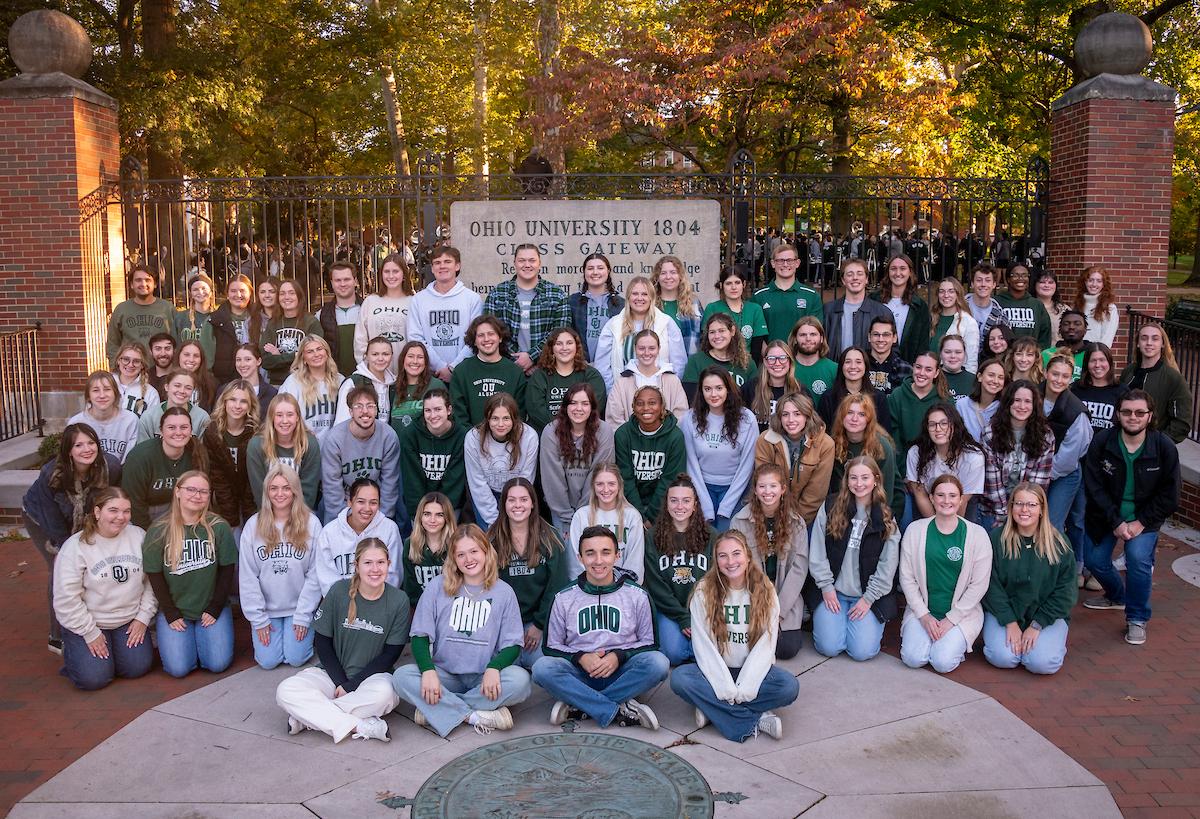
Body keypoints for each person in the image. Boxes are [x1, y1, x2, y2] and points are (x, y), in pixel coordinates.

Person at [392, 524, 531, 736]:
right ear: (453, 559)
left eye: (474, 551)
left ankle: (436, 709)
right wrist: (428, 671)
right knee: (401, 677)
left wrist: (494, 668)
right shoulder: (438, 586)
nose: (469, 559)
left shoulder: (504, 592)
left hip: (483, 678)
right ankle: (475, 716)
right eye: (461, 554)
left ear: (486, 552)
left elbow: (513, 644)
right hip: (445, 676)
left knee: (520, 681)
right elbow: (419, 635)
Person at [532, 526, 669, 730]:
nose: (598, 560)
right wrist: (580, 657)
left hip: (622, 672)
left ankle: (579, 705)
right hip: (580, 673)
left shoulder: (637, 595)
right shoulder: (563, 598)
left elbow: (650, 643)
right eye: (590, 553)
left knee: (659, 663)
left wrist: (619, 656)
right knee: (541, 668)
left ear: (617, 555)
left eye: (606, 552)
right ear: (580, 558)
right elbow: (551, 646)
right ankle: (618, 707)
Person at [275, 537, 410, 743]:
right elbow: (322, 641)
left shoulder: (399, 600)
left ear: (389, 564)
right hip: (332, 674)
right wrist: (341, 682)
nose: (375, 569)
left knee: (387, 695)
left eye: (380, 562)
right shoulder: (339, 591)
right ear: (356, 565)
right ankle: (360, 725)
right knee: (286, 690)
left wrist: (353, 684)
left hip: (372, 677)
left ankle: (308, 718)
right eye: (368, 563)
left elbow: (391, 654)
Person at [670, 529, 799, 741]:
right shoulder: (703, 591)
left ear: (748, 556)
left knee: (789, 686)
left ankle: (712, 710)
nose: (731, 561)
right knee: (680, 679)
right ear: (716, 560)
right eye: (723, 556)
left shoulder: (765, 590)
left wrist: (746, 688)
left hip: (753, 670)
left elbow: (766, 646)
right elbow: (703, 647)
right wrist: (724, 687)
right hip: (714, 672)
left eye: (736, 553)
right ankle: (754, 718)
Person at [1082, 390, 1180, 646]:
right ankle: (1117, 595)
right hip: (1105, 516)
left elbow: (1170, 495)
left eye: (1139, 412)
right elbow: (1093, 486)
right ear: (1118, 414)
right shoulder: (1103, 442)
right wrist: (1116, 521)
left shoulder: (1163, 447)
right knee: (1094, 560)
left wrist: (1140, 522)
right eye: (1126, 412)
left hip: (1144, 520)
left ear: (1150, 416)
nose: (1132, 417)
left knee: (1137, 560)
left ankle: (1137, 617)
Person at [23, 423, 122, 653]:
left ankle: (94, 616)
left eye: (91, 443)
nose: (86, 449)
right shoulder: (52, 474)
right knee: (61, 568)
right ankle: (57, 634)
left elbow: (112, 501)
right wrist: (70, 550)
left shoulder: (111, 467)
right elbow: (55, 525)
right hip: (41, 520)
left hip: (86, 518)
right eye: (79, 445)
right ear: (69, 450)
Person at [52, 487, 155, 689]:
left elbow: (152, 582)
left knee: (138, 667)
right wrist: (90, 632)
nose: (121, 517)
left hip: (127, 619)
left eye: (126, 511)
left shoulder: (139, 536)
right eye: (113, 510)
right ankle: (76, 652)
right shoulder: (76, 547)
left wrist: (143, 617)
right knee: (93, 679)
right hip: (90, 622)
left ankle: (109, 658)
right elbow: (66, 599)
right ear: (97, 512)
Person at [142, 470, 237, 677]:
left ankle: (201, 642)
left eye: (203, 491)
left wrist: (214, 608)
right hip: (176, 610)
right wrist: (170, 611)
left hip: (211, 609)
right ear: (177, 492)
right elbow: (154, 574)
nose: (197, 495)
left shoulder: (218, 527)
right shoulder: (158, 530)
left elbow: (227, 570)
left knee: (218, 664)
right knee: (178, 669)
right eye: (191, 489)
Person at [808, 456, 900, 661]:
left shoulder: (885, 516)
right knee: (829, 647)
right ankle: (837, 623)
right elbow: (817, 551)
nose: (859, 484)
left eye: (865, 478)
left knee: (861, 652)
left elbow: (888, 565)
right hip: (834, 594)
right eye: (853, 478)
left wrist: (868, 599)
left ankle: (859, 626)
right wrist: (826, 587)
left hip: (867, 597)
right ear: (846, 480)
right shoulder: (831, 506)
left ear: (876, 480)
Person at [898, 474, 993, 673]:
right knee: (913, 658)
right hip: (923, 611)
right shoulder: (915, 530)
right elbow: (907, 578)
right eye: (940, 495)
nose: (946, 501)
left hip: (961, 615)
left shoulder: (977, 535)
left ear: (961, 499)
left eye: (952, 495)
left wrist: (951, 620)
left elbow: (979, 585)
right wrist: (924, 616)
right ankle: (927, 639)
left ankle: (947, 644)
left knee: (942, 662)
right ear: (931, 498)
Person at [982, 482, 1077, 673]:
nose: (1024, 510)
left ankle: (1048, 644)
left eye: (1032, 505)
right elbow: (990, 585)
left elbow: (1066, 592)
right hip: (1006, 612)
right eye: (1019, 504)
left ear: (1042, 509)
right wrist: (1009, 622)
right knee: (1003, 658)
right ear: (1011, 508)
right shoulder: (996, 539)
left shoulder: (1059, 543)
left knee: (1042, 663)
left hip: (1045, 615)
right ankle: (1017, 642)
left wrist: (1037, 625)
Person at [239, 464, 321, 669]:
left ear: (295, 491)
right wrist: (258, 619)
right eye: (274, 488)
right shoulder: (253, 525)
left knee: (296, 658)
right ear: (267, 492)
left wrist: (303, 616)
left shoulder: (311, 523)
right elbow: (248, 577)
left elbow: (315, 574)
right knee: (268, 661)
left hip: (298, 608)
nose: (280, 493)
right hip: (267, 610)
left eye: (286, 487)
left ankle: (296, 639)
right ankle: (280, 639)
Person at [294, 478, 403, 627]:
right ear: (349, 502)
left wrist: (372, 603)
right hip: (341, 609)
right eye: (361, 501)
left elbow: (393, 576)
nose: (367, 508)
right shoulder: (330, 532)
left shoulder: (389, 529)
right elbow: (327, 581)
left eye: (373, 502)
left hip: (379, 607)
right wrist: (349, 606)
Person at [489, 478, 570, 669]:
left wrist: (539, 625)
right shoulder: (491, 539)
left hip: (537, 624)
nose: (518, 505)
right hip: (503, 625)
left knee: (547, 668)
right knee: (499, 669)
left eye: (524, 499)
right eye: (512, 500)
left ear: (533, 503)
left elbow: (556, 586)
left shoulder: (550, 537)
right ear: (504, 504)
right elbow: (486, 587)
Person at [729, 464, 808, 659]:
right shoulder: (740, 521)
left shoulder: (796, 523)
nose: (767, 492)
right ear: (755, 490)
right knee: (749, 646)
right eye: (762, 486)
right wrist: (760, 607)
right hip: (753, 595)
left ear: (783, 489)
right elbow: (736, 568)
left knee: (786, 649)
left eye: (773, 486)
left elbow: (799, 569)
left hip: (784, 595)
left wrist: (778, 612)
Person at [643, 475, 714, 665]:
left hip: (702, 609)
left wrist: (696, 615)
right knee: (673, 654)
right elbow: (655, 584)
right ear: (666, 504)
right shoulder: (653, 536)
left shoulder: (710, 535)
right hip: (669, 610)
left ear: (695, 505)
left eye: (686, 501)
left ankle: (695, 651)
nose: (679, 506)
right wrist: (682, 617)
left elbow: (714, 579)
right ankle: (694, 652)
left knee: (715, 648)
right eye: (674, 500)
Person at [683, 367, 758, 531]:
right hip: (701, 487)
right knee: (704, 538)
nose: (713, 394)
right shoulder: (689, 419)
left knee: (728, 538)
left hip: (736, 488)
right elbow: (691, 465)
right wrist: (704, 502)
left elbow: (747, 465)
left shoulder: (746, 419)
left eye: (719, 388)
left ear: (728, 389)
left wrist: (727, 504)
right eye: (707, 389)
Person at [1042, 354, 1094, 578]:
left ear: (1070, 378)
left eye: (1065, 376)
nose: (1059, 380)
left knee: (1053, 524)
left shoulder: (1075, 410)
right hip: (1035, 471)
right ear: (1045, 373)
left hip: (1063, 473)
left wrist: (1042, 477)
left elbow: (1069, 456)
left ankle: (1067, 570)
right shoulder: (1030, 396)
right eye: (1055, 374)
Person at [484, 243, 572, 374]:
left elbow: (559, 333)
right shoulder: (497, 294)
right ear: (514, 263)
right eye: (521, 260)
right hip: (507, 368)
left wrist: (532, 357)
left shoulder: (556, 294)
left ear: (540, 263)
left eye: (532, 260)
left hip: (547, 369)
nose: (527, 265)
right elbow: (491, 331)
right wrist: (518, 360)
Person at [320, 385, 402, 525]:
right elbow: (332, 489)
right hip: (344, 506)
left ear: (376, 410)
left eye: (370, 406)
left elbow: (390, 486)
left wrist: (381, 521)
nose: (365, 411)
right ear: (351, 411)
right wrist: (346, 523)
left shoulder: (388, 436)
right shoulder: (334, 439)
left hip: (375, 507)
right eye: (358, 406)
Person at [540, 383, 616, 533]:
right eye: (573, 403)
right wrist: (567, 516)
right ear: (565, 406)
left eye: (585, 403)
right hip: (561, 511)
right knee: (567, 554)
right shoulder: (550, 432)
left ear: (592, 407)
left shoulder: (604, 431)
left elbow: (599, 474)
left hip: (594, 507)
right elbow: (552, 479)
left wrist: (583, 512)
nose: (578, 409)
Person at [980, 381, 1056, 530]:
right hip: (994, 509)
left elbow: (1038, 484)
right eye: (1017, 400)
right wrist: (1004, 515)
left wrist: (1022, 510)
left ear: (1034, 405)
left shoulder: (1045, 436)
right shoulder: (990, 433)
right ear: (1008, 403)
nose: (1022, 406)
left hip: (1026, 509)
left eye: (1028, 401)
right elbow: (992, 482)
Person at [754, 391, 834, 526]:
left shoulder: (825, 444)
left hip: (805, 519)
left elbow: (815, 494)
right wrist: (776, 520)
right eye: (785, 414)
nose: (791, 420)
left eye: (797, 414)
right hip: (770, 512)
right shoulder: (765, 440)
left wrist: (794, 522)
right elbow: (764, 484)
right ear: (779, 417)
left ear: (807, 416)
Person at [407, 246, 484, 382]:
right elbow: (415, 338)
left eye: (447, 262)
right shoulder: (418, 300)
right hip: (429, 375)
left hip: (464, 373)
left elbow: (476, 338)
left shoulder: (472, 299)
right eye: (437, 263)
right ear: (432, 268)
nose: (442, 266)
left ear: (457, 266)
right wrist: (439, 366)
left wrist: (453, 368)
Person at [595, 276, 686, 392]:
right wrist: (614, 392)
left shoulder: (666, 323)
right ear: (628, 297)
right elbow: (602, 366)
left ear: (651, 298)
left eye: (644, 294)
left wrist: (669, 392)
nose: (639, 298)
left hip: (660, 393)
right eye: (635, 294)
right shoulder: (614, 325)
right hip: (624, 393)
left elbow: (679, 363)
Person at [122, 408, 207, 529]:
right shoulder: (140, 457)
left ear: (191, 431)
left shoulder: (198, 453)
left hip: (183, 511)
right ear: (161, 431)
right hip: (147, 513)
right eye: (171, 427)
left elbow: (202, 494)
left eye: (184, 427)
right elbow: (135, 505)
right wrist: (151, 534)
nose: (178, 432)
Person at [904, 404, 985, 528]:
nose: (938, 428)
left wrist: (951, 529)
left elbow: (962, 501)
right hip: (929, 505)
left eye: (944, 423)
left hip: (962, 507)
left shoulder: (973, 457)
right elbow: (920, 494)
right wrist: (935, 527)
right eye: (932, 424)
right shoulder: (916, 453)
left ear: (954, 425)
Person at [616, 385, 688, 525]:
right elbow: (626, 478)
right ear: (633, 407)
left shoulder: (675, 436)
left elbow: (670, 479)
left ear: (662, 406)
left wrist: (652, 516)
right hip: (630, 505)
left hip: (664, 506)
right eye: (640, 403)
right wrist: (639, 516)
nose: (646, 408)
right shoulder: (623, 435)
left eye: (652, 403)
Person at [465, 393, 539, 529]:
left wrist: (512, 511)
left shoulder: (529, 437)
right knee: (491, 541)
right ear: (487, 418)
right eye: (494, 418)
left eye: (506, 418)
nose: (500, 424)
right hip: (486, 493)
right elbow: (477, 482)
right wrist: (494, 520)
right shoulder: (473, 438)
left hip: (517, 494)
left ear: (514, 418)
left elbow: (526, 478)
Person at [567, 463, 646, 580]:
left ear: (619, 485)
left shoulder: (632, 516)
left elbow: (635, 561)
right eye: (600, 484)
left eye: (611, 484)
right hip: (588, 589)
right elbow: (575, 561)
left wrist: (624, 589)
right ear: (593, 486)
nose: (606, 489)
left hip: (623, 589)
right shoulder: (581, 516)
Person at [398, 389, 468, 519]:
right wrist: (421, 513)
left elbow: (455, 481)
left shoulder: (461, 436)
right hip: (420, 505)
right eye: (428, 410)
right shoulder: (410, 435)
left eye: (438, 409)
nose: (432, 415)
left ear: (449, 410)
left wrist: (441, 512)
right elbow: (412, 480)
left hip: (450, 505)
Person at [1118, 321, 1192, 443]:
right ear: (1137, 343)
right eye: (1144, 338)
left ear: (1163, 344)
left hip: (1154, 447)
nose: (1149, 343)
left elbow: (1182, 422)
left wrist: (1159, 443)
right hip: (1123, 441)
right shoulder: (1128, 372)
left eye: (1155, 339)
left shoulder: (1173, 378)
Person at [201, 380, 258, 535]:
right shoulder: (212, 432)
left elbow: (253, 477)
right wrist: (230, 516)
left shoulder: (257, 433)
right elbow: (217, 476)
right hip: (223, 500)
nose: (237, 406)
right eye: (233, 399)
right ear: (224, 401)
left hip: (251, 499)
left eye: (243, 401)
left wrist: (249, 514)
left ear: (250, 405)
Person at [247, 393, 322, 511]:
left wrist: (295, 518)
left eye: (290, 415)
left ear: (297, 417)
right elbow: (259, 490)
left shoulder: (309, 444)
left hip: (300, 513)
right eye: (279, 415)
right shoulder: (256, 445)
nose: (285, 420)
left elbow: (309, 491)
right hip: (267, 513)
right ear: (271, 417)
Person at [449, 314, 527, 428]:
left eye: (491, 334)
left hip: (507, 439)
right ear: (474, 341)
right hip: (471, 440)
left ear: (500, 337)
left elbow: (520, 413)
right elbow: (458, 414)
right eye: (481, 335)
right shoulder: (462, 371)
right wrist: (472, 438)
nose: (486, 339)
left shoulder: (515, 372)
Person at [887, 352, 948, 494]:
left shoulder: (944, 400)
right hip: (903, 472)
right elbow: (892, 438)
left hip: (935, 471)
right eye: (918, 367)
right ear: (913, 367)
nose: (921, 373)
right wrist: (905, 474)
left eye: (928, 369)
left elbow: (946, 441)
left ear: (936, 372)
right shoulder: (898, 395)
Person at [830, 394, 899, 517]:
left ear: (869, 419)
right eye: (849, 412)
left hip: (877, 506)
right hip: (842, 506)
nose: (854, 419)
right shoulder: (833, 444)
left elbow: (887, 488)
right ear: (842, 416)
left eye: (861, 414)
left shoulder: (882, 446)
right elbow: (835, 487)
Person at [528, 327, 607, 432]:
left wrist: (576, 427)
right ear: (552, 348)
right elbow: (536, 410)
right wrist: (562, 429)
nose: (564, 348)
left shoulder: (591, 375)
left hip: (585, 433)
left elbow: (596, 405)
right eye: (559, 344)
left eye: (569, 343)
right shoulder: (539, 376)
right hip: (549, 434)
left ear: (577, 347)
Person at [605, 329, 688, 425]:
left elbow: (681, 416)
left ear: (658, 349)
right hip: (631, 439)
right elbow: (614, 418)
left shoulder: (672, 380)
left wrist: (667, 437)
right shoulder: (622, 381)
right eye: (641, 348)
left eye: (652, 348)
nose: (647, 353)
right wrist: (628, 437)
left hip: (666, 438)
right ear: (635, 349)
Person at [278, 335, 344, 444]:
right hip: (304, 445)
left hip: (334, 446)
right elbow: (282, 414)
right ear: (303, 358)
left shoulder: (340, 380)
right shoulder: (293, 382)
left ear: (327, 353)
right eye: (310, 351)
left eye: (319, 349)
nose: (316, 354)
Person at [105, 266, 176, 367]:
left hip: (162, 371)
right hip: (131, 370)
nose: (143, 284)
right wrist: (116, 368)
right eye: (138, 280)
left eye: (148, 280)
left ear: (155, 284)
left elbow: (177, 341)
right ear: (131, 285)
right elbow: (113, 344)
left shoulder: (167, 308)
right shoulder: (121, 309)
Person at [354, 253, 413, 373]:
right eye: (386, 271)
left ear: (404, 275)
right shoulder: (371, 301)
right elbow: (360, 338)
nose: (391, 276)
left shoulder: (413, 301)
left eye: (396, 271)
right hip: (376, 372)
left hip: (407, 372)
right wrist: (367, 367)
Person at [824, 258, 892, 359]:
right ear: (843, 280)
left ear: (866, 279)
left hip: (869, 371)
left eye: (859, 273)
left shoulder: (882, 312)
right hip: (835, 371)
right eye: (850, 274)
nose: (855, 278)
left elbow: (892, 349)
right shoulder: (828, 310)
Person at [754, 242, 823, 343]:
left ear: (797, 263)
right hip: (771, 357)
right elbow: (756, 334)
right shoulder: (759, 296)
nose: (785, 264)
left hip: (801, 357)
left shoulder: (811, 296)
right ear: (773, 263)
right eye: (780, 260)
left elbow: (815, 333)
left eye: (790, 260)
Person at [201, 274, 262, 385]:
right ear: (227, 294)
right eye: (233, 291)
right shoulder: (213, 321)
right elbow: (206, 359)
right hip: (223, 383)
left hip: (256, 381)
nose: (238, 295)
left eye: (242, 291)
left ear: (250, 293)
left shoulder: (260, 319)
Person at [871, 254, 931, 364]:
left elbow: (923, 343)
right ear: (888, 272)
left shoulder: (919, 306)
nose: (898, 273)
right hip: (875, 365)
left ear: (910, 272)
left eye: (902, 269)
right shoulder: (873, 300)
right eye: (893, 269)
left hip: (907, 365)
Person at [261, 279, 323, 385]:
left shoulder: (311, 322)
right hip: (277, 383)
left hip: (305, 382)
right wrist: (296, 355)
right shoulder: (273, 323)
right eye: (282, 293)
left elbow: (314, 356)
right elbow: (266, 361)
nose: (286, 297)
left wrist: (278, 355)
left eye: (291, 293)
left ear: (299, 296)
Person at [683, 311, 758, 398]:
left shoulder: (747, 362)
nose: (717, 336)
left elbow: (753, 399)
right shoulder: (696, 361)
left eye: (721, 331)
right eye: (712, 332)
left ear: (732, 331)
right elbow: (692, 398)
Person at [69, 371, 138, 464]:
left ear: (115, 393)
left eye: (107, 389)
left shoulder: (130, 421)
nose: (102, 395)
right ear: (88, 395)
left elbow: (130, 461)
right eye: (95, 390)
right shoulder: (76, 423)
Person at [702, 265, 768, 362]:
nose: (733, 287)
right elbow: (706, 342)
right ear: (721, 285)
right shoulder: (712, 308)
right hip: (718, 365)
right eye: (728, 283)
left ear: (744, 284)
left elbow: (757, 346)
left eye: (737, 282)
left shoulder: (754, 309)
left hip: (747, 364)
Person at [402, 493, 457, 609]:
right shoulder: (410, 545)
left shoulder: (456, 545)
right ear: (420, 516)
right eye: (427, 514)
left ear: (447, 518)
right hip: (420, 608)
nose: (432, 520)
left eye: (439, 515)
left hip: (451, 608)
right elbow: (410, 589)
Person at [817, 345, 892, 430]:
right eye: (848, 362)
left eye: (858, 362)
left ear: (865, 366)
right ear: (842, 366)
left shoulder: (878, 398)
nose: (853, 366)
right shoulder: (828, 398)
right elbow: (822, 433)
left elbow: (885, 433)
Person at [570, 252, 625, 361]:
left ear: (608, 271)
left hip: (612, 365)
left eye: (600, 268)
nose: (595, 272)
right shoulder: (573, 302)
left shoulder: (621, 304)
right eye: (590, 268)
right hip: (581, 366)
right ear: (584, 272)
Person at [334, 336, 395, 427]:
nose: (380, 358)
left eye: (385, 354)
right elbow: (341, 423)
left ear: (392, 356)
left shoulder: (394, 384)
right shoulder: (353, 383)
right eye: (375, 354)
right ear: (366, 356)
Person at [136, 368, 210, 443]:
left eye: (188, 388)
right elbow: (143, 450)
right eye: (177, 386)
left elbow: (203, 451)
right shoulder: (149, 417)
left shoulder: (202, 418)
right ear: (167, 387)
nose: (182, 391)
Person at [743, 340, 804, 432]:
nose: (777, 363)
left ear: (790, 362)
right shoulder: (750, 388)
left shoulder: (800, 391)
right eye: (771, 358)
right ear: (765, 361)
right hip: (756, 444)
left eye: (783, 358)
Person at [387, 340, 448, 429]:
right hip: (396, 442)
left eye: (420, 357)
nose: (415, 361)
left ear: (425, 362)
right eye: (410, 356)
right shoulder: (392, 387)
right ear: (403, 359)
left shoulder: (436, 385)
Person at [318, 260, 363, 378]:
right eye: (338, 280)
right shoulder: (321, 315)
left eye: (347, 279)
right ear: (332, 283)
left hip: (365, 378)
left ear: (355, 281)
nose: (342, 284)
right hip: (333, 380)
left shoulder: (367, 309)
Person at [653, 254, 704, 356]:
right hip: (656, 365)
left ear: (680, 276)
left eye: (673, 272)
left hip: (688, 365)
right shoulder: (651, 304)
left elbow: (703, 337)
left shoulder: (693, 303)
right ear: (657, 277)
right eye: (663, 273)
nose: (668, 277)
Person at [1071, 343, 1128, 434]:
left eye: (1102, 360)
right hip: (1080, 446)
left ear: (1109, 362)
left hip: (1108, 446)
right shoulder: (1074, 390)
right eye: (1093, 360)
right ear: (1087, 364)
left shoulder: (1122, 391)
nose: (1097, 365)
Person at [929, 278, 980, 373]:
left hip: (953, 377)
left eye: (951, 291)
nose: (946, 295)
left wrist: (967, 382)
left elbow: (971, 361)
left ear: (958, 294)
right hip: (929, 375)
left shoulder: (968, 322)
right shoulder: (931, 319)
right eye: (942, 291)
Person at [996, 264, 1051, 348]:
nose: (1020, 278)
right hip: (1002, 357)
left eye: (1025, 275)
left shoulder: (1036, 304)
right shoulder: (997, 302)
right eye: (1015, 275)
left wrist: (1037, 354)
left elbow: (1045, 335)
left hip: (1029, 357)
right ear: (1008, 279)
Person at [956, 358, 1007, 442]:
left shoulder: (1005, 407)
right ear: (980, 377)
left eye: (1001, 377)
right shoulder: (962, 405)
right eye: (991, 375)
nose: (995, 381)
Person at [789, 316, 838, 398]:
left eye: (813, 334)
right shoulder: (786, 367)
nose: (808, 339)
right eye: (803, 335)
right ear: (795, 339)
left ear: (821, 338)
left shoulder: (834, 369)